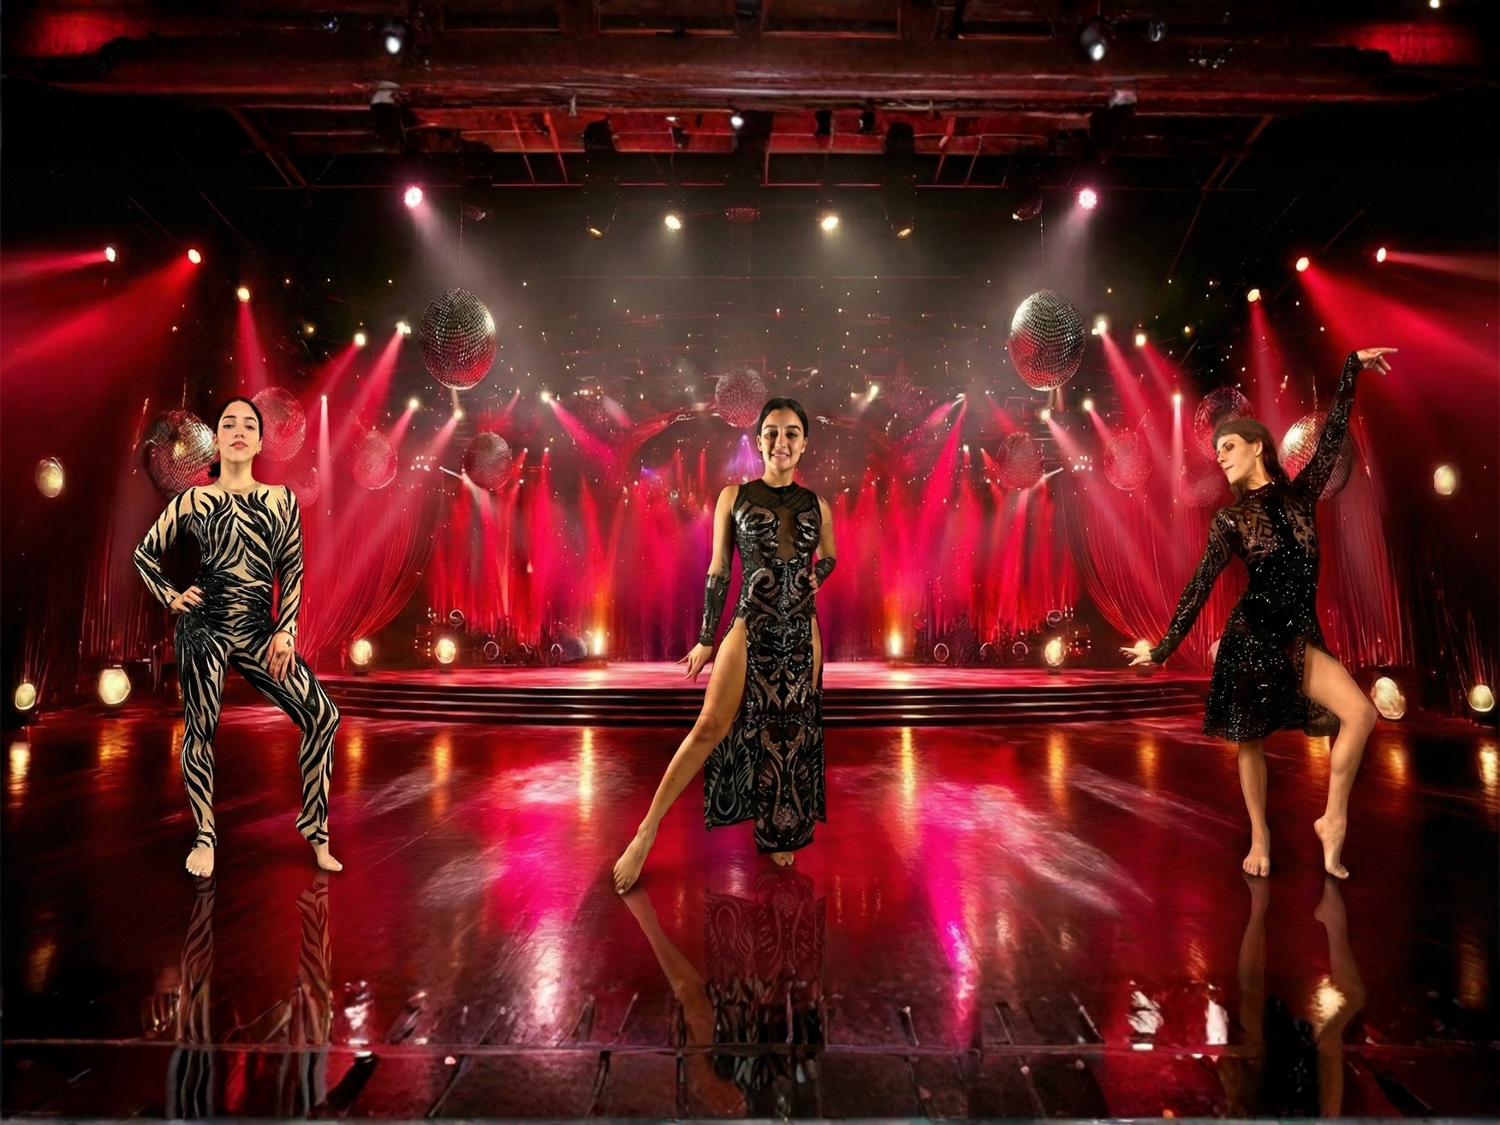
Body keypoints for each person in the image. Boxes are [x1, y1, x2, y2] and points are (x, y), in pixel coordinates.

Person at [1123, 349, 1395, 879]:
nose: (1220, 457)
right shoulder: (1229, 520)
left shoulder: (1301, 493)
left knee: (1360, 716)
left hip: (1298, 638)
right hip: (1250, 639)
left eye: (1229, 446)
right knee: (1250, 743)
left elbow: (1333, 435)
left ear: (1257, 448)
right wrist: (1159, 650)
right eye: (1217, 450)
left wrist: (1349, 368)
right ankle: (1260, 834)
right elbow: (1199, 585)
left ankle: (1331, 820)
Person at [613, 398, 836, 893]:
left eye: (792, 433)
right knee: (709, 726)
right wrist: (705, 640)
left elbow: (831, 557)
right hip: (749, 623)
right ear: (759, 442)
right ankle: (646, 831)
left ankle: (780, 829)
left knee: (791, 735)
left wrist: (817, 575)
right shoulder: (732, 497)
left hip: (803, 631)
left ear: (804, 444)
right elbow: (718, 571)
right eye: (773, 432)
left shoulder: (818, 505)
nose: (782, 441)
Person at [135, 397, 341, 878]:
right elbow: (146, 555)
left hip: (256, 627)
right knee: (200, 728)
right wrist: (171, 596)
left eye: (249, 424)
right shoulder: (193, 499)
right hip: (203, 624)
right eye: (229, 423)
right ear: (217, 437)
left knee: (322, 715)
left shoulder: (280, 499)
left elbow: (292, 571)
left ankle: (316, 827)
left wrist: (286, 632)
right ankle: (205, 834)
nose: (239, 430)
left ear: (262, 441)